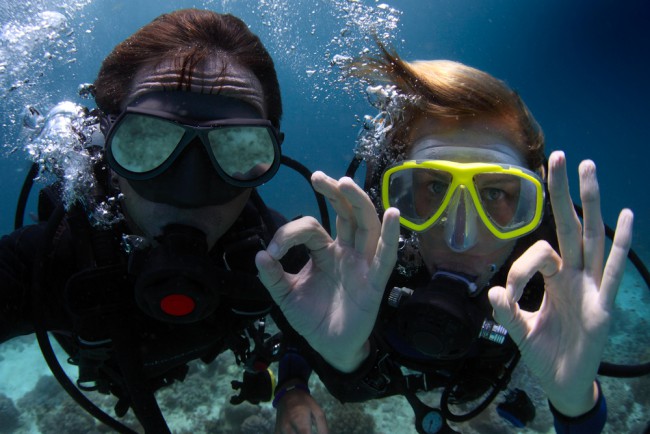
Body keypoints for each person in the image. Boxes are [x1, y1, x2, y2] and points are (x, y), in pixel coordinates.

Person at [256, 45, 635, 433]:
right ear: (398, 195)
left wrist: (574, 401)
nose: (460, 237)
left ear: (531, 201)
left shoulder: (550, 279)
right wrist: (300, 380)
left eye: (495, 194)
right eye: (434, 187)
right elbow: (310, 337)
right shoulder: (372, 257)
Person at [0, 9, 327, 434]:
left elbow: (309, 331)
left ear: (267, 156)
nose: (189, 190)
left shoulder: (277, 252)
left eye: (237, 146)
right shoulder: (47, 262)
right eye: (148, 140)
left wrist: (296, 385)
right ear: (106, 146)